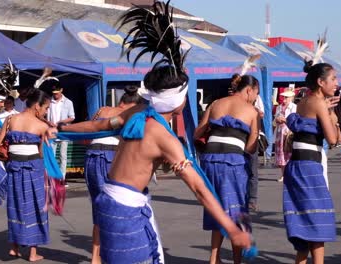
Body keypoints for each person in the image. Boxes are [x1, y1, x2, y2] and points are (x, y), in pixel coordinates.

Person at [53, 1, 251, 262]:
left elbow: (98, 125)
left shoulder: (136, 113)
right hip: (125, 209)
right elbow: (199, 188)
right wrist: (231, 229)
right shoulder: (164, 136)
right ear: (177, 101)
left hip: (109, 200)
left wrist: (59, 128)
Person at [59, 86, 143, 264]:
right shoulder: (130, 115)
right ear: (131, 105)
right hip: (110, 157)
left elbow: (88, 135)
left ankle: (96, 257)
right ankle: (114, 253)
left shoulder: (103, 109)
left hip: (91, 156)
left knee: (99, 208)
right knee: (116, 207)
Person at [194, 74, 259, 264]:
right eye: (256, 93)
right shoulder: (252, 111)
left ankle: (214, 258)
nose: (255, 97)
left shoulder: (215, 104)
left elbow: (198, 132)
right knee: (237, 211)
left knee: (218, 208)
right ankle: (237, 260)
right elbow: (251, 147)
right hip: (232, 162)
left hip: (210, 160)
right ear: (249, 90)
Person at [283, 61, 340, 264]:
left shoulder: (304, 101)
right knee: (318, 220)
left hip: (296, 165)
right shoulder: (318, 103)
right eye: (333, 79)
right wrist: (331, 114)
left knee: (304, 219)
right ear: (320, 81)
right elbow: (333, 139)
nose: (336, 83)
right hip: (309, 166)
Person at [0, 89, 51, 262]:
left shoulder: (11, 119)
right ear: (37, 106)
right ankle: (33, 253)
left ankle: (14, 248)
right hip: (33, 168)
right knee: (35, 207)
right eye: (45, 108)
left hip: (14, 168)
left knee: (16, 205)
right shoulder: (42, 126)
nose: (45, 111)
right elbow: (42, 153)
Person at [47, 84, 75, 180]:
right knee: (52, 154)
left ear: (61, 90)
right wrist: (48, 122)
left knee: (63, 155)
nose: (55, 95)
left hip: (63, 131)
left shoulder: (68, 102)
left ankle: (62, 177)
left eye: (57, 93)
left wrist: (60, 122)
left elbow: (72, 117)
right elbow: (44, 115)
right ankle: (53, 176)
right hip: (52, 131)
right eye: (54, 93)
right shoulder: (49, 102)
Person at [274, 88, 297, 182]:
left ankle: (291, 174)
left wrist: (285, 120)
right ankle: (283, 174)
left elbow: (294, 119)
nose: (285, 99)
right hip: (280, 131)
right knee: (281, 153)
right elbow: (275, 120)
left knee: (289, 152)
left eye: (287, 97)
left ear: (291, 98)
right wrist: (277, 120)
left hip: (289, 132)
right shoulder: (279, 107)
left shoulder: (294, 107)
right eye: (284, 97)